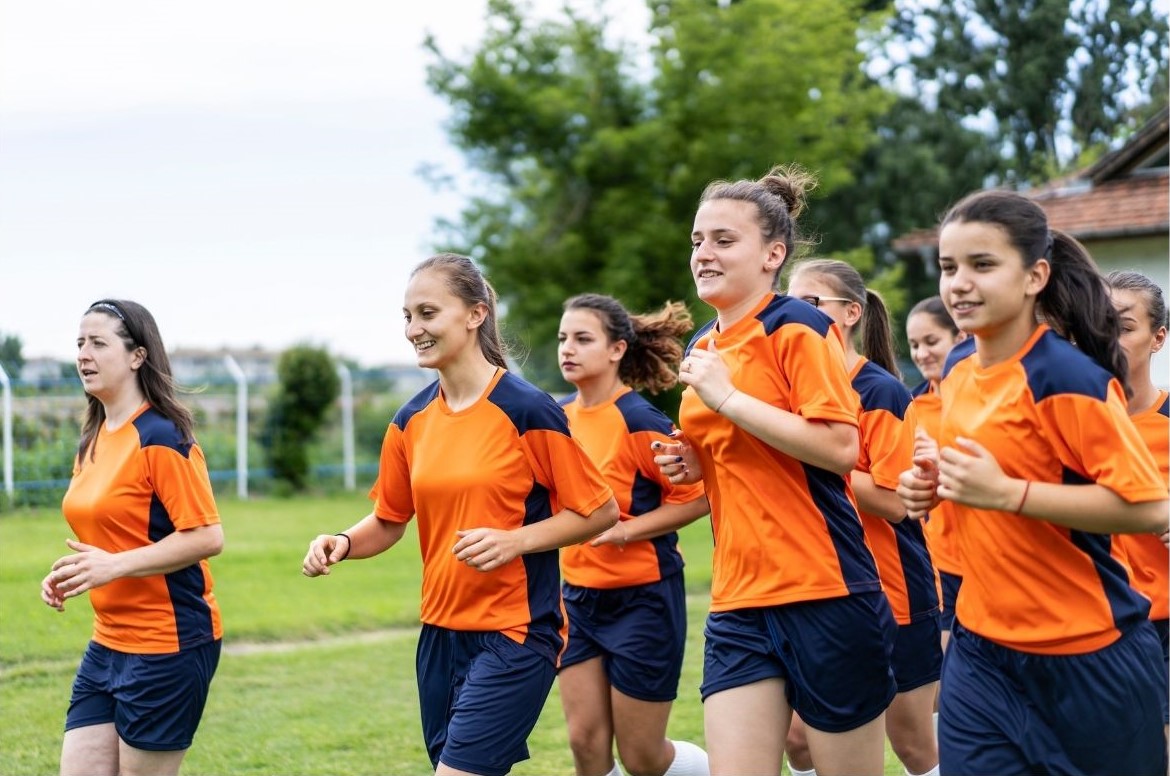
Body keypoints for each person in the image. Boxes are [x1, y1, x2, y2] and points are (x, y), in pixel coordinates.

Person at [302, 254, 619, 776]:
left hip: (516, 633)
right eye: (407, 316)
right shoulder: (409, 420)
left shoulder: (527, 409)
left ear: (476, 314)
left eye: (427, 313)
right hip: (439, 636)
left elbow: (599, 510)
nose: (414, 329)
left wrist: (515, 541)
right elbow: (389, 519)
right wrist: (343, 541)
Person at [896, 190, 1170, 775]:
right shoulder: (958, 370)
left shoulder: (1067, 378)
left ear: (1034, 276)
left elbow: (1148, 507)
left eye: (982, 265)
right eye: (949, 267)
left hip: (1088, 655)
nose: (960, 284)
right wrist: (931, 487)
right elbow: (979, 473)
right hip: (980, 649)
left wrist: (1007, 494)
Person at [654, 166, 896, 776]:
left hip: (825, 591)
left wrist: (729, 399)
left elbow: (839, 448)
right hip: (737, 598)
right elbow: (739, 453)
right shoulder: (703, 346)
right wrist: (695, 462)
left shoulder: (800, 328)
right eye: (697, 241)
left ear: (773, 255)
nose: (703, 254)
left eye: (723, 240)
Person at [41, 299, 224, 776]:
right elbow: (110, 532)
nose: (84, 354)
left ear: (137, 356)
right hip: (108, 642)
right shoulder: (95, 436)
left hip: (168, 645)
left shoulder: (162, 436)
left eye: (98, 343)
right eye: (80, 343)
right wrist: (73, 571)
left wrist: (113, 566)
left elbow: (207, 536)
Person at [783, 260, 940, 776]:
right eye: (789, 303)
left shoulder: (880, 390)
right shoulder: (789, 391)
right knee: (798, 741)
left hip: (894, 588)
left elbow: (895, 503)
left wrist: (816, 452)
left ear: (851, 313)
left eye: (811, 303)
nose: (795, 314)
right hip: (824, 588)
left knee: (913, 744)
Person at [556, 293, 711, 776]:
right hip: (576, 600)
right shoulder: (556, 418)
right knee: (584, 743)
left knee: (642, 757)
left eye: (583, 339)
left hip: (644, 602)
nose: (568, 349)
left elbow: (698, 497)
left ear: (617, 349)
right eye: (563, 338)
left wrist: (623, 531)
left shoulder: (640, 421)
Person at [1105, 270, 1169, 729]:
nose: (1109, 339)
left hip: (1161, 625)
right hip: (1089, 629)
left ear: (1157, 338)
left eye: (1124, 327)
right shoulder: (1066, 421)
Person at [904, 296, 966, 655]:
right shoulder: (911, 406)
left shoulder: (980, 401)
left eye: (931, 341)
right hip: (939, 566)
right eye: (914, 345)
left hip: (990, 558)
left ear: (960, 338)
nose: (922, 353)